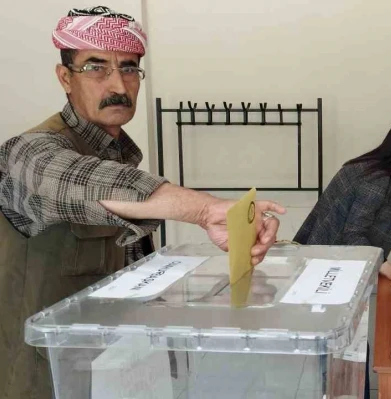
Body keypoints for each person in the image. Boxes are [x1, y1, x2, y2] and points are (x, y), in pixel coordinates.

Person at [0, 7, 284, 398]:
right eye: (96, 67)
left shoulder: (119, 156)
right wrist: (204, 210)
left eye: (129, 68)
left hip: (117, 370)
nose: (117, 84)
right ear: (65, 77)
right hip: (48, 381)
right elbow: (77, 181)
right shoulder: (28, 152)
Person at [295, 116, 391, 283]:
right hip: (328, 266)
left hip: (325, 259)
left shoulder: (375, 169)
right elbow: (353, 234)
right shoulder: (376, 182)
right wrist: (385, 267)